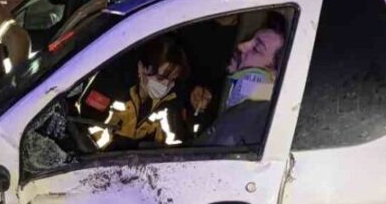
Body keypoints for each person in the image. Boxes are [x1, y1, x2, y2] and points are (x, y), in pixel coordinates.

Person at [83, 35, 191, 150]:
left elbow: (174, 147)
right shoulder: (111, 85)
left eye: (172, 79)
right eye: (160, 78)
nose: (166, 85)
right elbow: (86, 127)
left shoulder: (170, 102)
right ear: (142, 68)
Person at [195, 13, 288, 147]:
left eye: (257, 48)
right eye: (251, 39)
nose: (242, 46)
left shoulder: (253, 121)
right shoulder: (245, 103)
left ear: (273, 74)